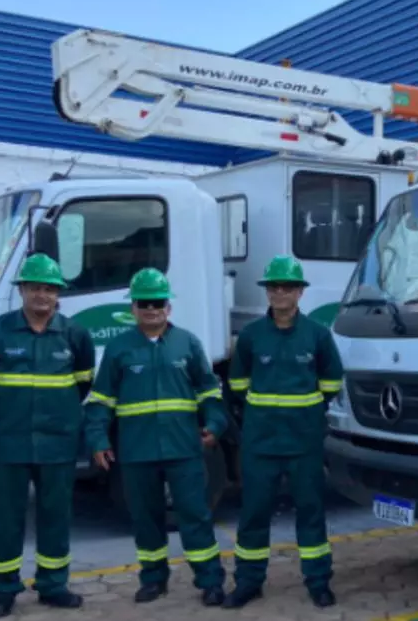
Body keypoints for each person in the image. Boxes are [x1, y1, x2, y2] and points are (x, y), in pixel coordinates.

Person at [84, 267, 229, 607]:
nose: (152, 309)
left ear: (169, 306)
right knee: (146, 520)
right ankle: (153, 579)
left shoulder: (188, 343)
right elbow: (101, 400)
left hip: (184, 449)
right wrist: (98, 439)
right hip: (136, 453)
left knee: (195, 517)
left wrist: (216, 423)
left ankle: (209, 580)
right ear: (133, 307)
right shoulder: (119, 350)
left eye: (158, 302)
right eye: (144, 302)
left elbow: (209, 390)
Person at [0, 253, 96, 618]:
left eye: (49, 289)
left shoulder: (75, 334)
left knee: (55, 515)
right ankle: (2, 589)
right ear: (22, 290)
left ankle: (53, 585)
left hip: (58, 442)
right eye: (35, 287)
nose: (42, 295)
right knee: (5, 518)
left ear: (59, 295)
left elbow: (83, 384)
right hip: (9, 443)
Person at [223, 255, 345, 609]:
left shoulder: (318, 335)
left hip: (303, 442)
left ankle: (318, 582)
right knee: (253, 514)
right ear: (267, 293)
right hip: (261, 443)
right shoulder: (251, 336)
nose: (280, 293)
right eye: (274, 287)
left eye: (287, 287)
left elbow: (331, 382)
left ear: (299, 293)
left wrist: (306, 414)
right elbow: (237, 383)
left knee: (311, 513)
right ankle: (248, 582)